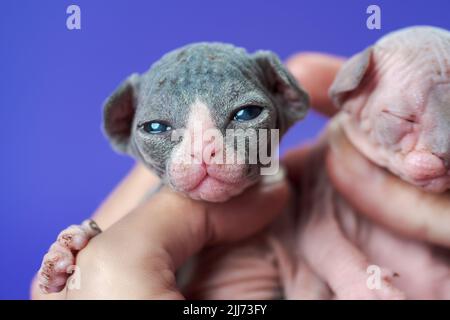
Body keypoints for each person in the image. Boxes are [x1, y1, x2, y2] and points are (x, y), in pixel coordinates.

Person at [31, 53, 450, 299]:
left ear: (286, 99)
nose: (202, 152)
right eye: (158, 128)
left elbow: (321, 245)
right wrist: (94, 250)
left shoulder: (299, 187)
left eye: (245, 114)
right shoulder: (147, 222)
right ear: (125, 127)